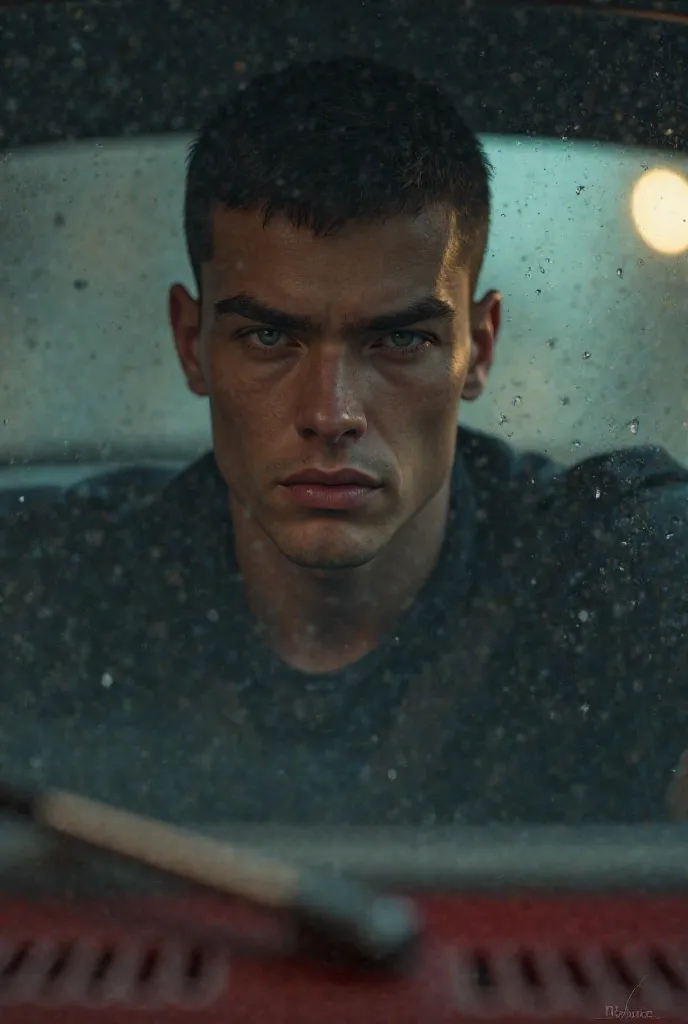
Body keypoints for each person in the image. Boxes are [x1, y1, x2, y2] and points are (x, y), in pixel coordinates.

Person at [1, 56, 687, 830]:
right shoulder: (51, 587)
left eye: (398, 341)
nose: (331, 413)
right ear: (192, 344)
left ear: (479, 349)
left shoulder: (610, 573)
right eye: (268, 336)